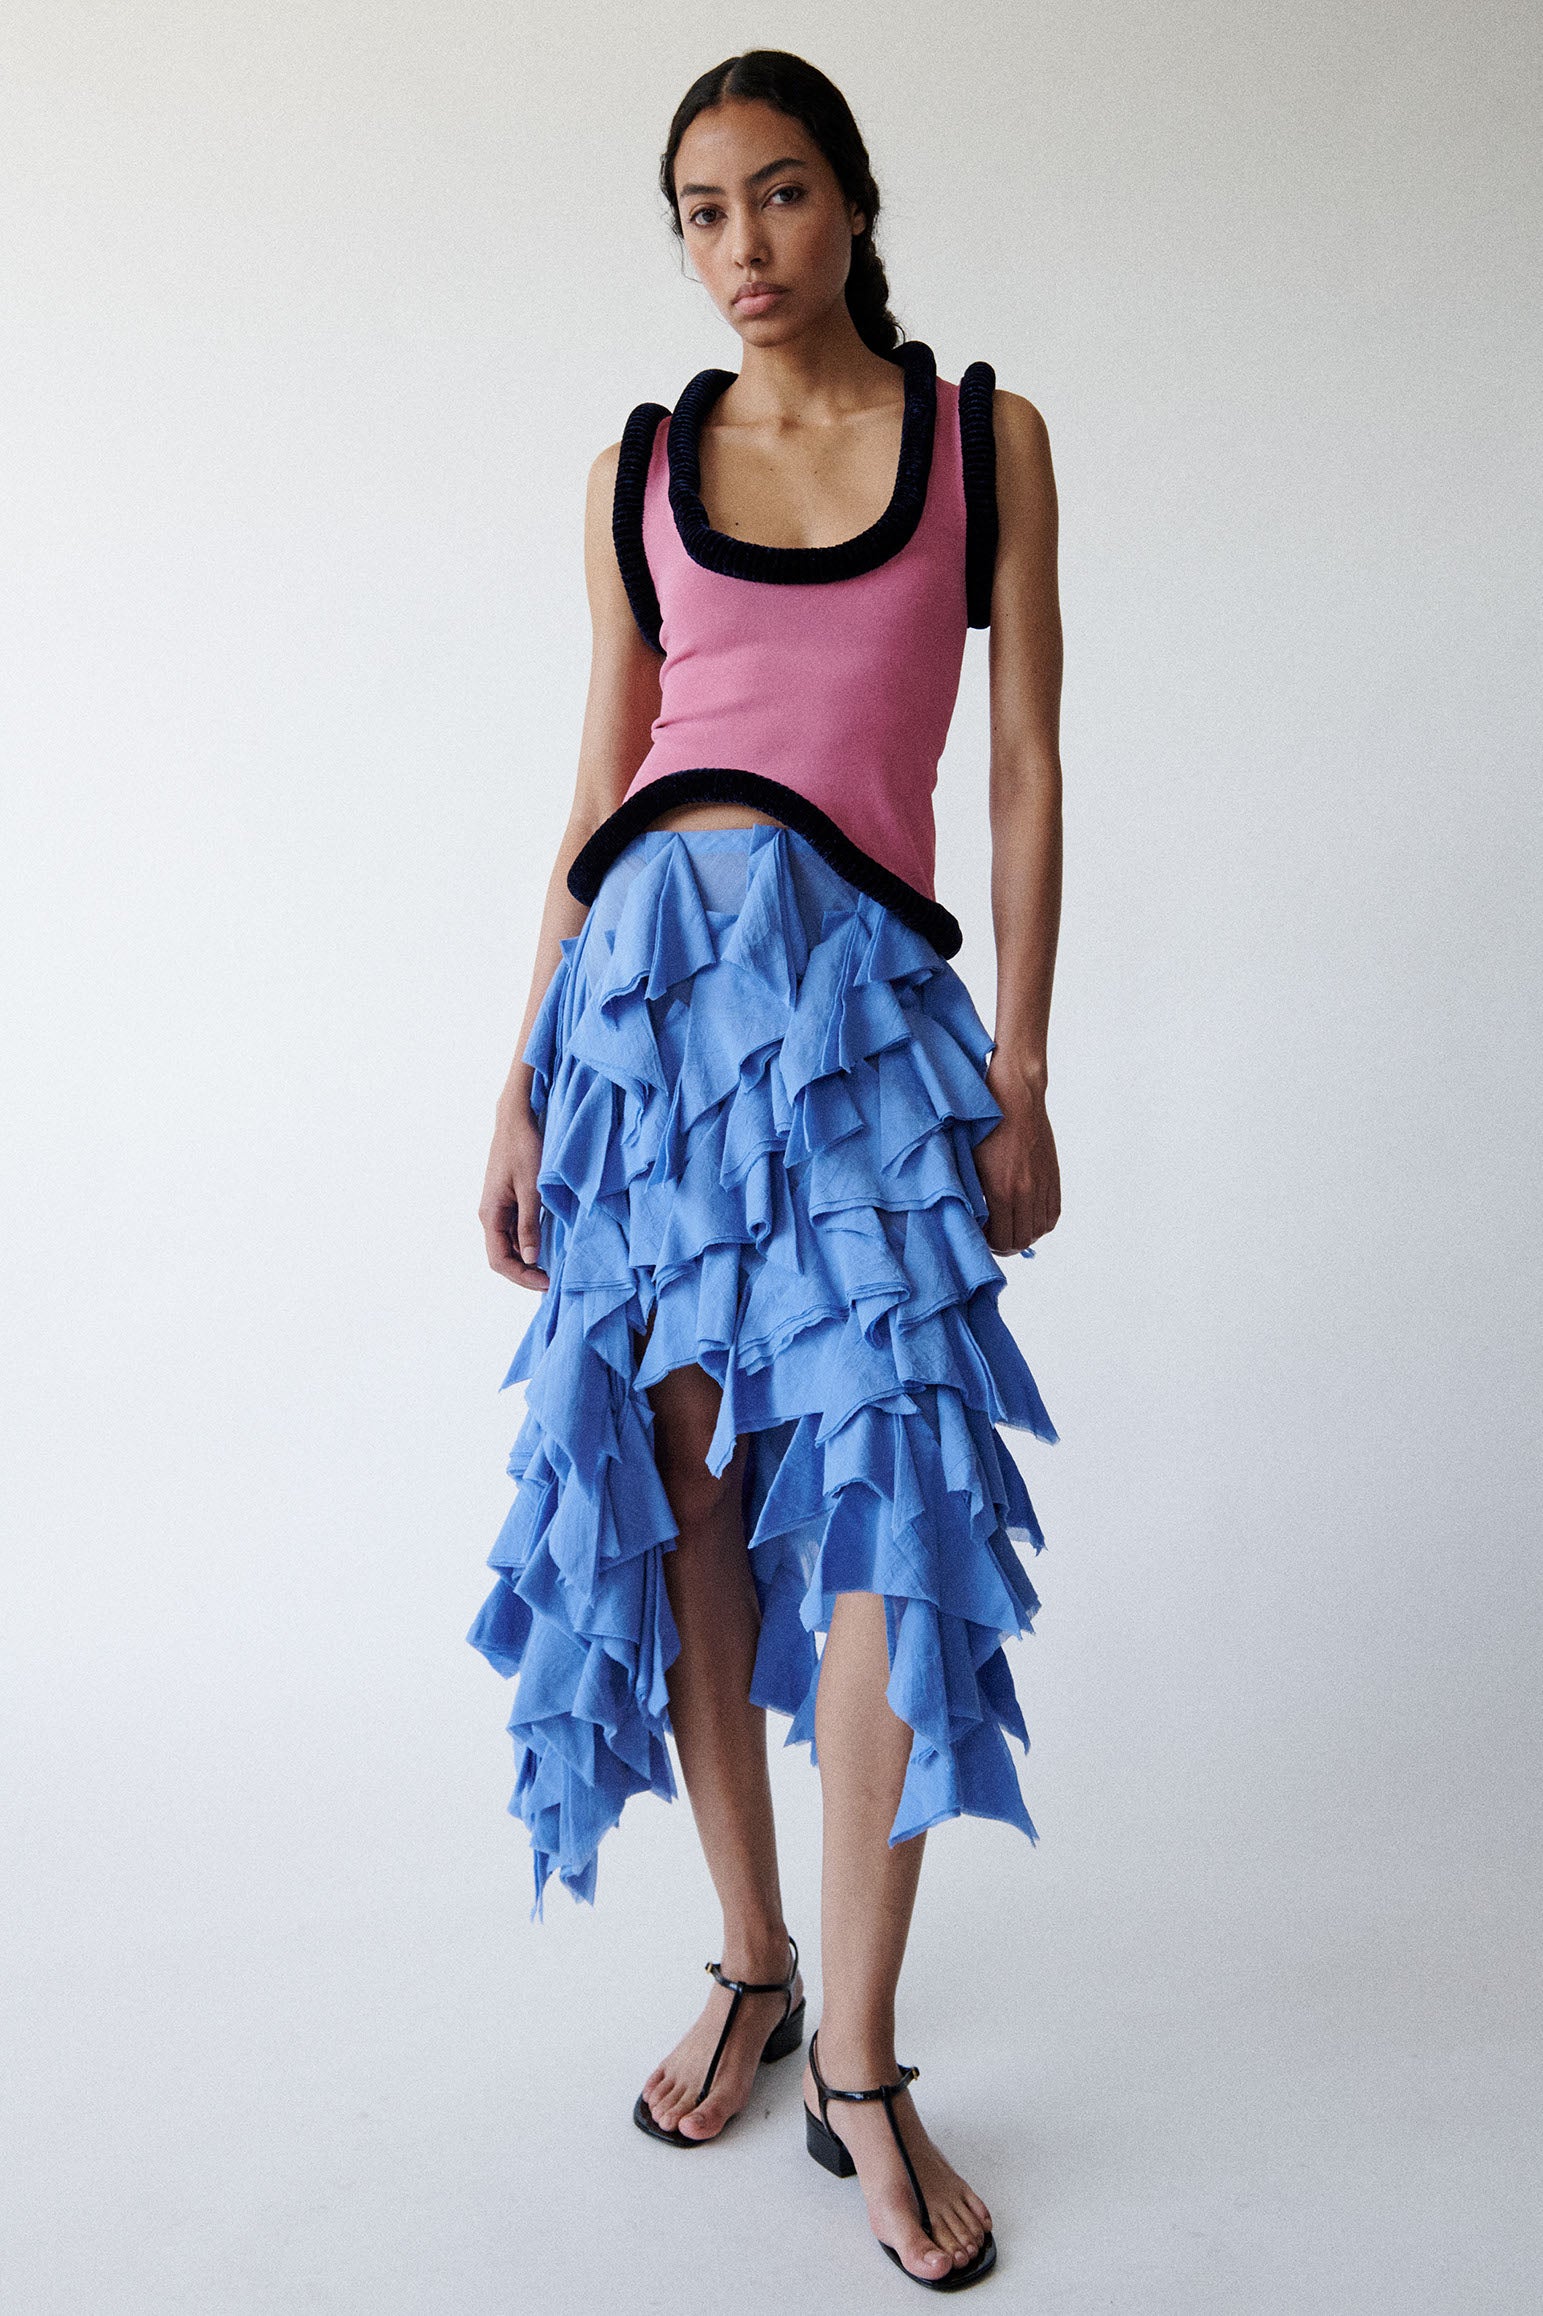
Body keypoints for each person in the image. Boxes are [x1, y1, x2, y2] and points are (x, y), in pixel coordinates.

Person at [472, 49, 1062, 2293]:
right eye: (702, 212)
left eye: (781, 195)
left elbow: (1017, 766)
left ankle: (866, 2061)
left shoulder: (978, 443)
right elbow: (597, 775)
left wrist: (1022, 1062)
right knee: (689, 1497)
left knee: (892, 1499)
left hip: (859, 1029)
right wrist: (520, 1077)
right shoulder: (635, 466)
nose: (743, 248)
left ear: (851, 205)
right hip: (641, 1015)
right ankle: (750, 1957)